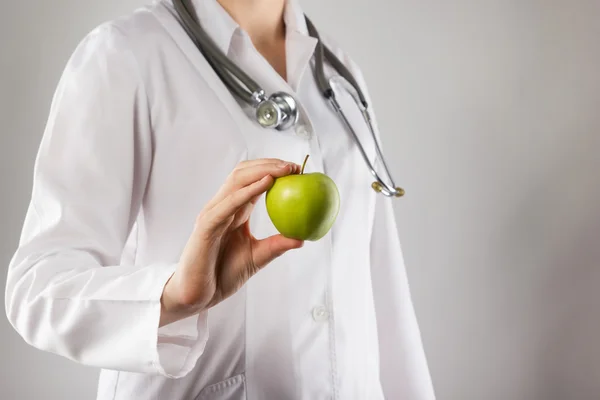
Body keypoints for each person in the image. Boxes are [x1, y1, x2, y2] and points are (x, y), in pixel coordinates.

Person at [4, 0, 436, 398]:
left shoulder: (340, 76)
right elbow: (37, 289)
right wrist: (173, 294)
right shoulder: (128, 54)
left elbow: (380, 288)